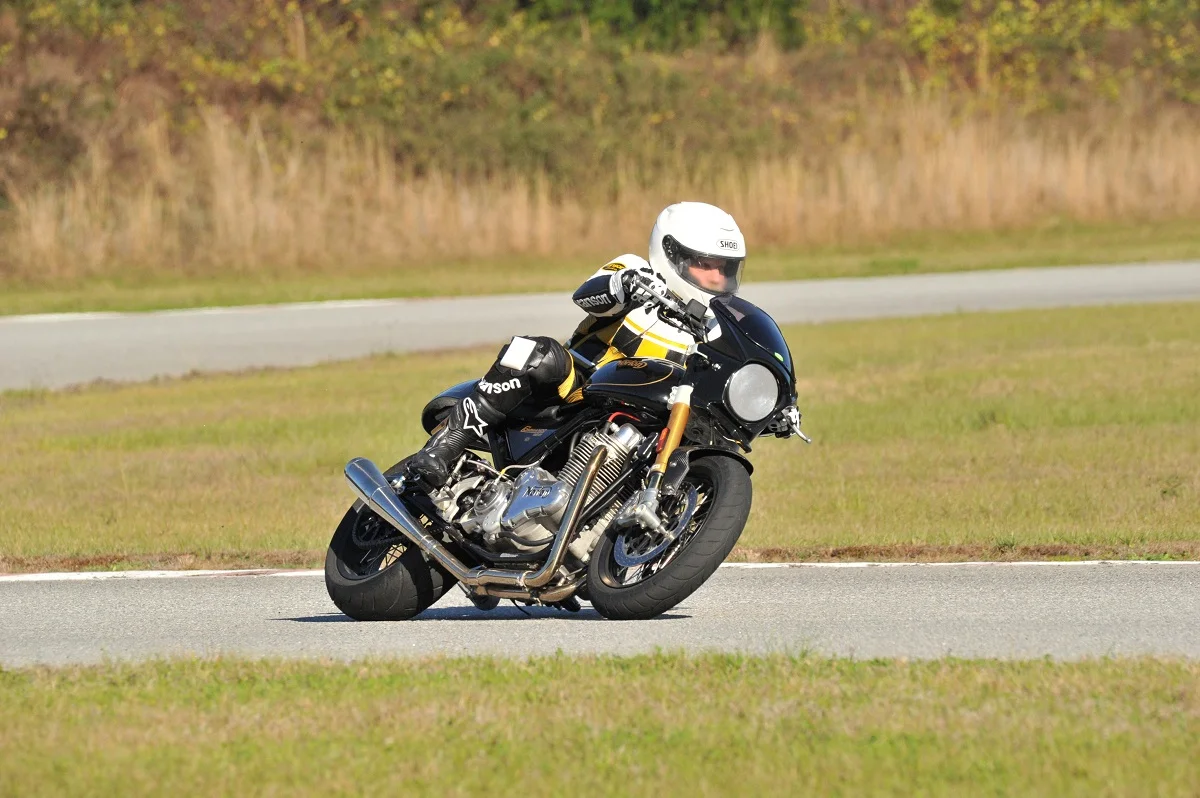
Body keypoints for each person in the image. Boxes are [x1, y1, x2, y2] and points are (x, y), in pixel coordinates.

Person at [406, 201, 747, 489]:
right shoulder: (638, 271)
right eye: (707, 265)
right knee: (537, 353)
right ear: (672, 253)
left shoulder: (716, 329)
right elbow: (586, 295)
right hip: (575, 392)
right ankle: (446, 445)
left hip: (639, 423)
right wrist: (624, 284)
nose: (717, 278)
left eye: (725, 269)